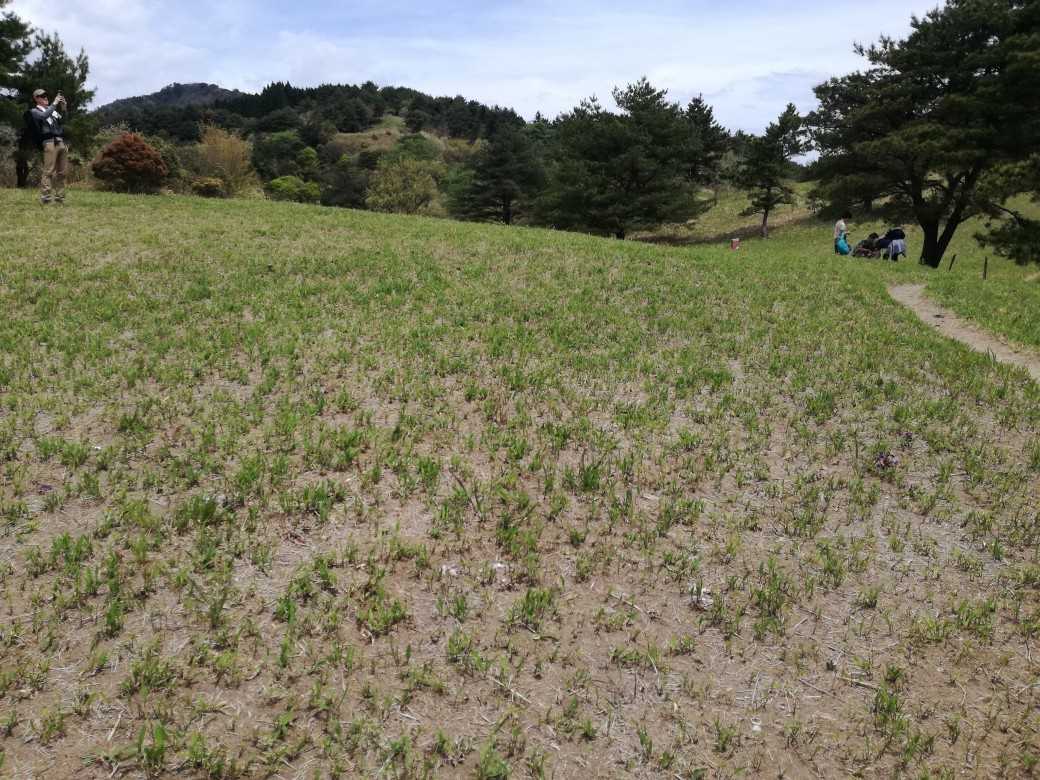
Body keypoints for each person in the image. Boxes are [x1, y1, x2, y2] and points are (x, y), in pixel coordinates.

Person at [30, 88, 69, 205]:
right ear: (36, 99)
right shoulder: (35, 111)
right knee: (49, 171)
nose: (45, 97)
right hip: (49, 142)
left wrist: (64, 108)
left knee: (62, 172)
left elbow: (64, 121)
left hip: (60, 142)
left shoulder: (52, 111)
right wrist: (55, 103)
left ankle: (60, 199)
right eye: (42, 96)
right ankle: (46, 198)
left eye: (46, 95)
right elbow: (43, 116)